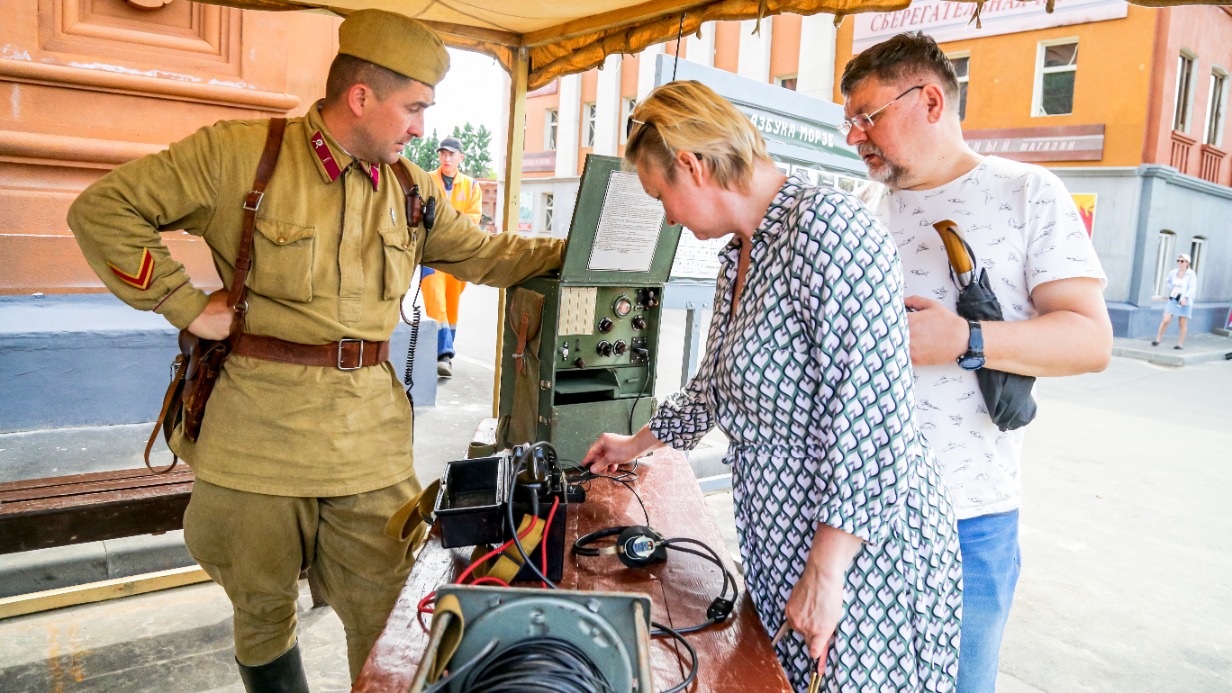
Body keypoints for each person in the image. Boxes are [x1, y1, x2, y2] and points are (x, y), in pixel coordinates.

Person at [66, 11, 563, 692]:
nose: (421, 126)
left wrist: (588, 247)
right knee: (262, 609)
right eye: (413, 106)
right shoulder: (240, 154)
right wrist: (185, 304)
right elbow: (104, 211)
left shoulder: (413, 190)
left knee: (389, 611)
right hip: (256, 439)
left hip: (368, 444)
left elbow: (486, 253)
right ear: (361, 97)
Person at [582, 81, 962, 692]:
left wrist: (827, 573)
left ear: (692, 165)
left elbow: (873, 421)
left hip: (863, 562)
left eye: (661, 197)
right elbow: (715, 387)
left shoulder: (828, 228)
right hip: (793, 547)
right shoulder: (743, 253)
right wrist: (634, 445)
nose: (669, 217)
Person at [840, 32, 1113, 692]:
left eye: (867, 117)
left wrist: (966, 339)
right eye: (849, 122)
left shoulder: (1028, 192)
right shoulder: (863, 208)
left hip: (970, 518)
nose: (855, 137)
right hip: (855, 514)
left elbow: (1089, 340)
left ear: (929, 99)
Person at [420, 136, 484, 378]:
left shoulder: (471, 186)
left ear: (461, 158)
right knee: (436, 301)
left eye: (451, 154)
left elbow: (473, 220)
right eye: (443, 154)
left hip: (458, 256)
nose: (446, 158)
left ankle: (443, 353)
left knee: (451, 305)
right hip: (432, 255)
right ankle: (444, 353)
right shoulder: (427, 180)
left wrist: (444, 225)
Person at [1152, 253, 1197, 349]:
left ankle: (1180, 343)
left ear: (1187, 263)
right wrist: (1172, 289)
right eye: (1178, 261)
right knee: (1166, 320)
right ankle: (1158, 339)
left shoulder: (1191, 274)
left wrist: (1186, 297)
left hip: (1184, 301)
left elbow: (1192, 287)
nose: (1180, 263)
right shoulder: (1173, 272)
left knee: (1182, 323)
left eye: (1182, 261)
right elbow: (1168, 281)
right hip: (1173, 298)